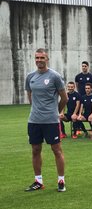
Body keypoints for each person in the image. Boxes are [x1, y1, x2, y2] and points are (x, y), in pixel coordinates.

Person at [25, 48, 68, 192]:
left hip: (51, 120)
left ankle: (61, 181)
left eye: (41, 58)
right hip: (34, 120)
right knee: (35, 150)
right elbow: (30, 96)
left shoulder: (54, 76)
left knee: (56, 150)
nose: (39, 60)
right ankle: (38, 181)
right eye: (37, 58)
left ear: (47, 59)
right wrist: (36, 109)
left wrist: (56, 111)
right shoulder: (30, 76)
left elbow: (64, 98)